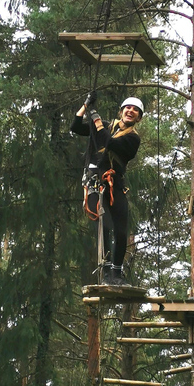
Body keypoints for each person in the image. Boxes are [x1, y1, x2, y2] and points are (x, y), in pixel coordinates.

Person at [71, 93, 143, 286]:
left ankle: (116, 274)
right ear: (121, 111)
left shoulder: (133, 138)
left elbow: (109, 143)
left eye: (135, 110)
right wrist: (86, 107)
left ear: (138, 118)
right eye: (127, 108)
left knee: (121, 230)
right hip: (95, 183)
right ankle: (106, 272)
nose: (130, 111)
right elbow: (76, 127)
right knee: (105, 226)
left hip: (114, 183)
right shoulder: (105, 125)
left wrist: (95, 118)